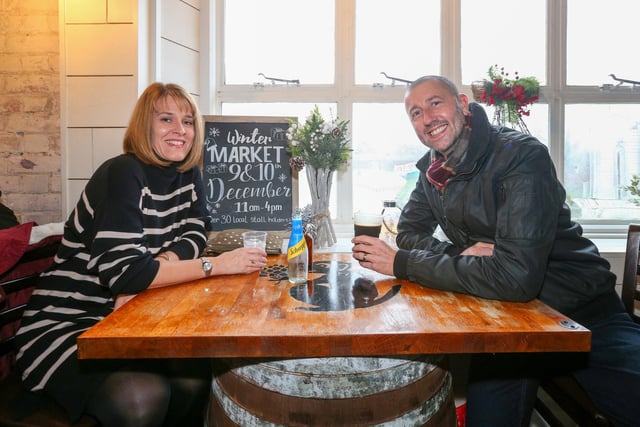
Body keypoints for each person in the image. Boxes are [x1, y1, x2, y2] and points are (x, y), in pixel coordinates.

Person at [351, 75, 640, 426]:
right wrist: (460, 254)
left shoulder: (520, 156)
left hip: (580, 314)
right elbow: (410, 231)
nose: (426, 117)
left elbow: (515, 278)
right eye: (415, 112)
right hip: (505, 321)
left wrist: (403, 263)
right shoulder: (433, 170)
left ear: (462, 103)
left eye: (435, 103)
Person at [15, 82, 267, 427]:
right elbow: (126, 275)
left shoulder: (188, 174)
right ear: (144, 126)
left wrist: (160, 264)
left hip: (129, 323)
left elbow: (196, 228)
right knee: (141, 397)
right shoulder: (122, 173)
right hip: (71, 326)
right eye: (166, 119)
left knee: (193, 377)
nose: (180, 130)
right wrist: (216, 265)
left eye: (188, 121)